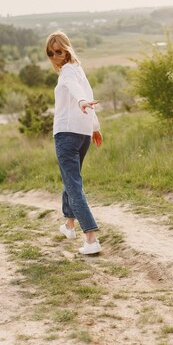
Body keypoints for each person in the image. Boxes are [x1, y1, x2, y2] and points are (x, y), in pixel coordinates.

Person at [46, 31, 103, 255]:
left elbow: (79, 93)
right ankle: (69, 225)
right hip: (83, 135)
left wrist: (80, 102)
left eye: (58, 51)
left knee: (73, 186)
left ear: (67, 49)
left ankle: (90, 239)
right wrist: (95, 128)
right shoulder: (79, 70)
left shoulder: (69, 72)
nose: (55, 56)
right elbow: (87, 96)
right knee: (71, 180)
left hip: (67, 135)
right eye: (50, 53)